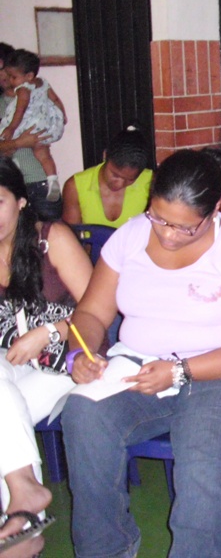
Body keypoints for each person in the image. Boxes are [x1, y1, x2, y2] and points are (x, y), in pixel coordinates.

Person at [61, 150, 221, 558]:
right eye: (159, 218)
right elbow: (92, 312)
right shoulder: (130, 236)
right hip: (142, 364)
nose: (167, 235)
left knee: (201, 452)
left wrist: (181, 370)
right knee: (84, 414)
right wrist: (81, 351)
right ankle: (107, 549)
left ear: (213, 211)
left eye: (185, 227)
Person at [0, 160, 94, 540]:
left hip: (69, 358)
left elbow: (97, 310)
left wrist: (47, 333)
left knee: (4, 423)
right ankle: (24, 506)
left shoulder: (52, 238)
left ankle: (22, 531)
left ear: (21, 201)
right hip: (13, 360)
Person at [0, 45, 61, 222]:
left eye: (4, 69)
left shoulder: (37, 93)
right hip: (9, 186)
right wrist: (19, 142)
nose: (3, 76)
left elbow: (55, 122)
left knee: (50, 232)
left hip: (40, 179)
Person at [61, 122, 153, 227]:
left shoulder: (151, 183)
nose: (119, 184)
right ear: (105, 155)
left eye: (130, 180)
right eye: (115, 175)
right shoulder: (75, 187)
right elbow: (70, 233)